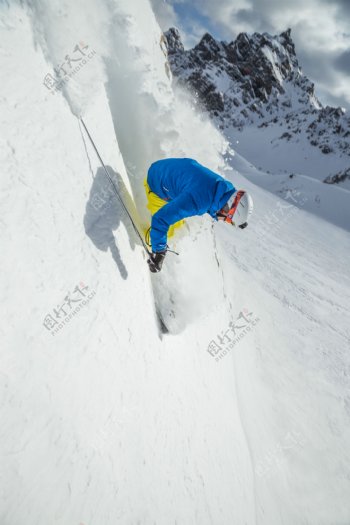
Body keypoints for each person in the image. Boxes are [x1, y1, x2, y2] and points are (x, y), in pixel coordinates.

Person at [144, 158, 253, 272]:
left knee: (178, 225)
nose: (225, 221)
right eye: (229, 220)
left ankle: (157, 240)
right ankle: (147, 249)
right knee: (170, 232)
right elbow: (161, 219)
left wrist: (238, 221)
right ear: (226, 209)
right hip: (156, 182)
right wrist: (160, 253)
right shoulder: (198, 201)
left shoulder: (223, 189)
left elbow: (220, 204)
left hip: (167, 169)